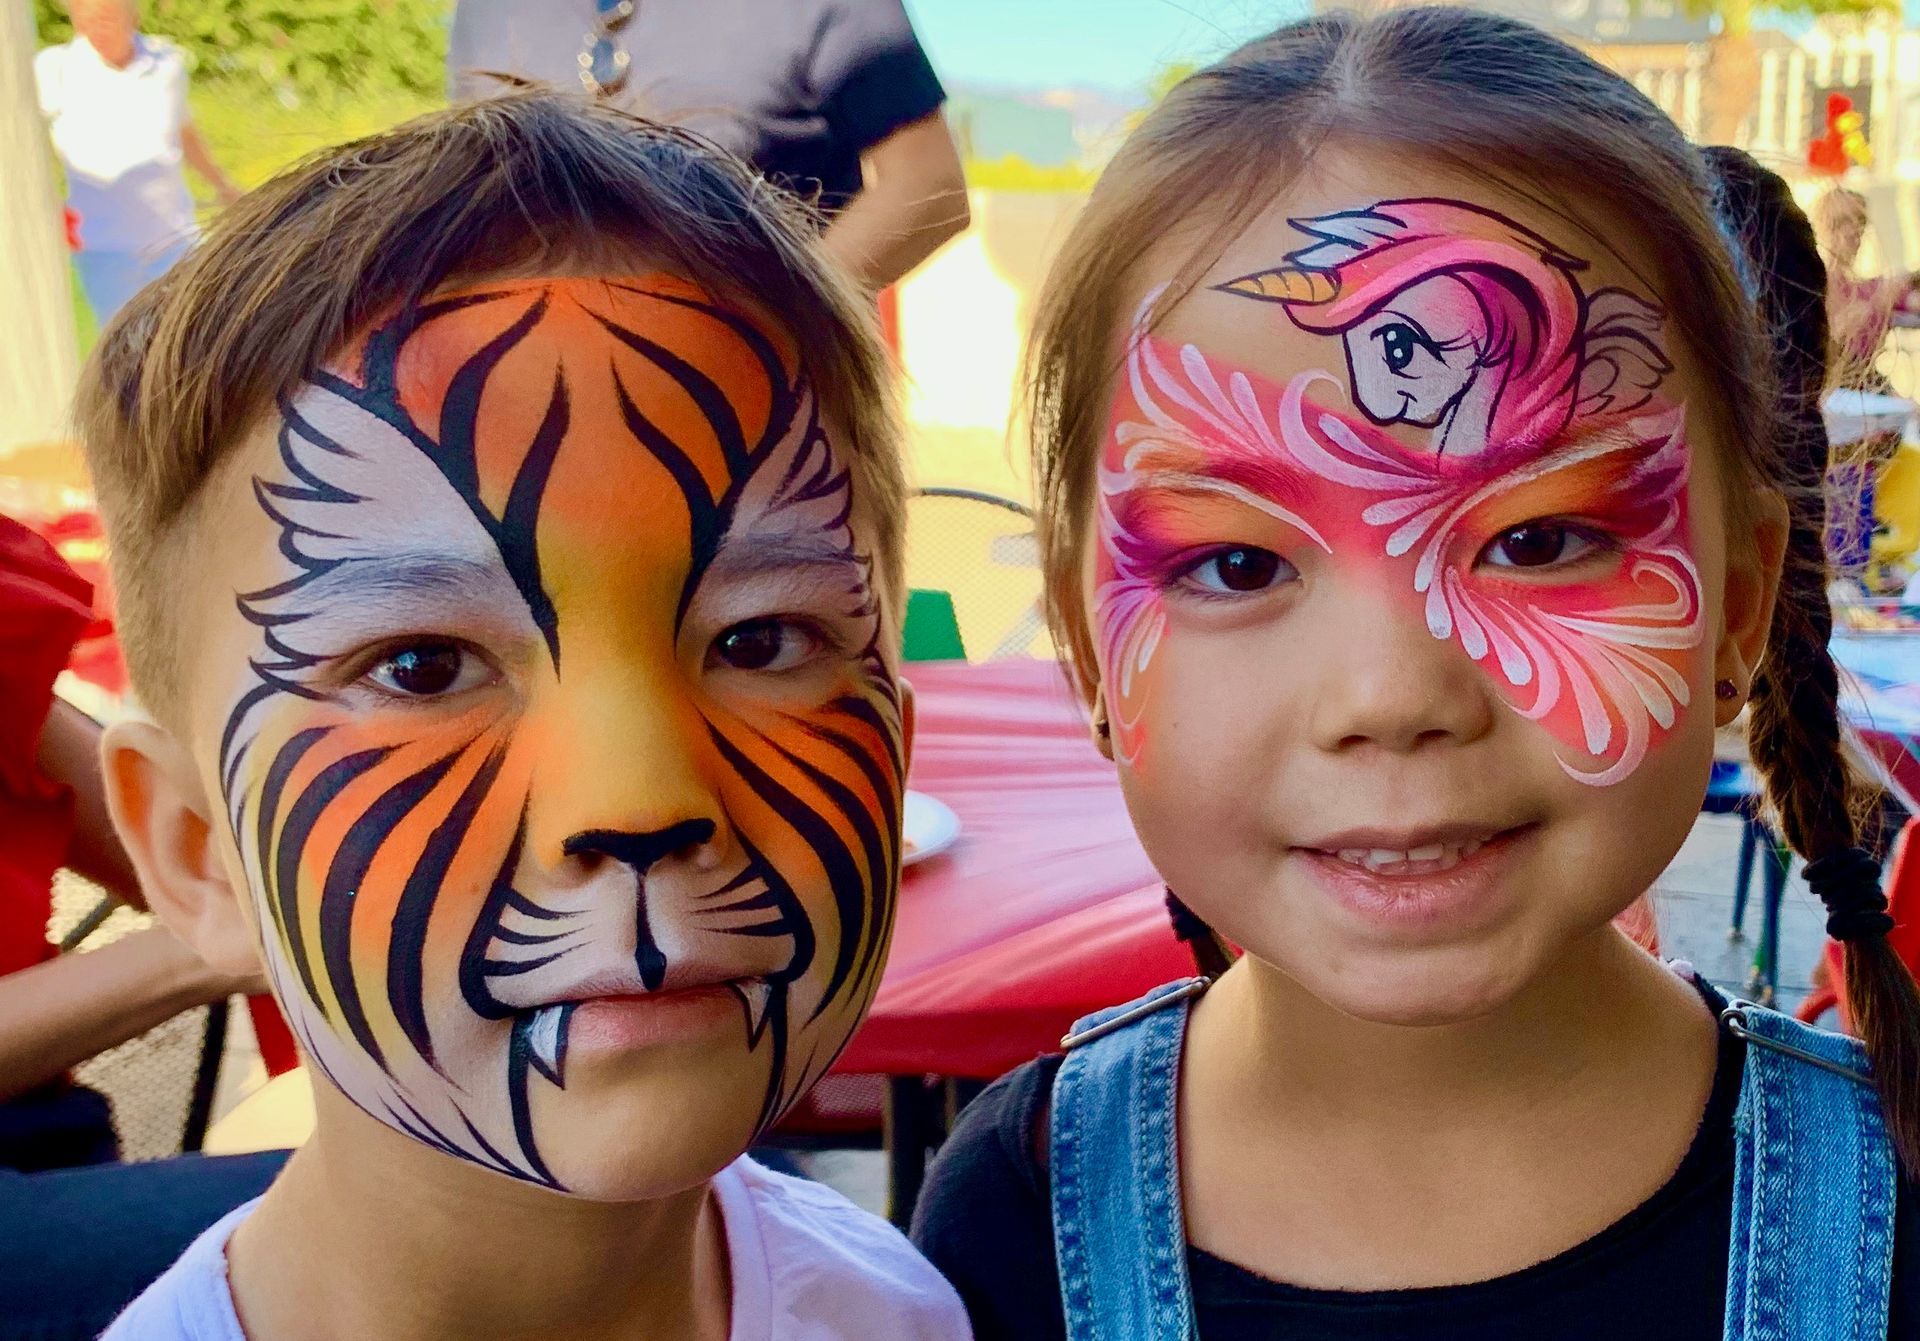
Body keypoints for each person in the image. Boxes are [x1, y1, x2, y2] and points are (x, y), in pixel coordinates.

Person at [912, 10, 1920, 1338]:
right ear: (1087, 640)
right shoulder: (1012, 1224)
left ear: (1737, 608)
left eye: (1540, 540)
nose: (1391, 696)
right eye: (1235, 565)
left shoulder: (1901, 1217)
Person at [78, 90, 967, 1340]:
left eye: (760, 641)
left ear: (899, 759)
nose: (640, 803)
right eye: (423, 666)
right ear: (191, 846)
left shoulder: (898, 1311)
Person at [446, 0, 968, 292]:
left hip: (767, 407)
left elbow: (931, 187)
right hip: (525, 396)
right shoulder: (487, 10)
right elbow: (475, 196)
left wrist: (773, 322)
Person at [34, 0, 241, 324]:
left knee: (192, 327)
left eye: (105, 18)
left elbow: (184, 132)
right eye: (85, 21)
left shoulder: (166, 64)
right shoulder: (54, 69)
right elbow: (28, 141)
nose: (96, 30)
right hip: (104, 245)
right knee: (122, 339)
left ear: (131, 16)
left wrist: (222, 185)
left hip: (174, 234)